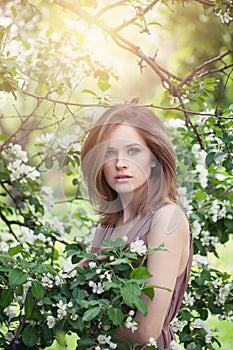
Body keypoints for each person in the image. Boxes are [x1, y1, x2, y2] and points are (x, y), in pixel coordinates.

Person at [80, 104, 193, 349]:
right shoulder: (108, 224)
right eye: (109, 153)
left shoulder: (166, 219)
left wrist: (84, 322)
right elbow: (71, 286)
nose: (120, 163)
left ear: (154, 158)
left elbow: (145, 332)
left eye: (133, 151)